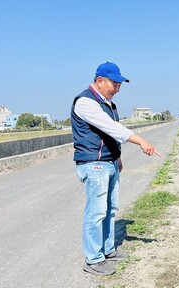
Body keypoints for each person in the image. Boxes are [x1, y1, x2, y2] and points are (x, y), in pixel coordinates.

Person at [71, 62, 160, 276]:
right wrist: (141, 141)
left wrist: (117, 156)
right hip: (95, 165)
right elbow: (112, 128)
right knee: (96, 212)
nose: (117, 89)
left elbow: (109, 136)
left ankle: (108, 250)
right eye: (114, 83)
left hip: (109, 163)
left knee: (110, 209)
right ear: (99, 81)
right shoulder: (85, 102)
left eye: (119, 85)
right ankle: (93, 259)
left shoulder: (109, 104)